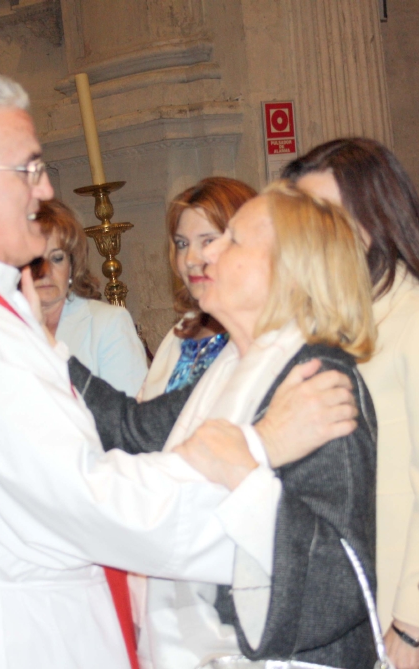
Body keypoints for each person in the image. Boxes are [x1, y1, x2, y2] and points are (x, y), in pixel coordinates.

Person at [0, 70, 357, 669]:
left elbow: (339, 571)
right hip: (5, 635)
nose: (44, 189)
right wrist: (257, 446)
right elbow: (92, 501)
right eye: (28, 168)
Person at [76, 182, 380, 668]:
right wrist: (31, 340)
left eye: (231, 241)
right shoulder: (231, 368)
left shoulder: (314, 378)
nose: (202, 255)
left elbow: (339, 585)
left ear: (288, 268)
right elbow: (131, 431)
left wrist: (246, 473)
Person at [281, 137, 419, 669]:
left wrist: (410, 626)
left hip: (415, 619)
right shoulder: (329, 321)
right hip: (345, 599)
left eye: (327, 214)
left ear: (374, 215)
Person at [141, 177, 256, 399]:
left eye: (208, 241)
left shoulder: (268, 338)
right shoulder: (180, 333)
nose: (190, 259)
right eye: (182, 244)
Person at [34, 198, 147, 395]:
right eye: (36, 260)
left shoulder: (108, 323)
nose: (46, 271)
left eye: (57, 258)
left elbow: (129, 410)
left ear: (72, 264)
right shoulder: (3, 325)